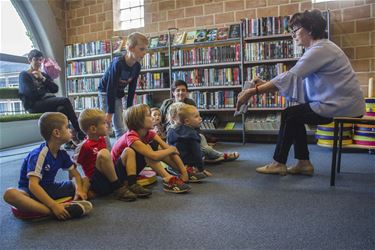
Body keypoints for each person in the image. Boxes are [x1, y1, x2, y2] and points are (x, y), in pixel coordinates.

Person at [236, 9, 365, 176]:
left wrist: (253, 91)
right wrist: (263, 85)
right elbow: (295, 79)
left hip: (341, 106)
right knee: (294, 115)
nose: (293, 35)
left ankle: (279, 163)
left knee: (290, 115)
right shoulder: (321, 48)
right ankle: (303, 163)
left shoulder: (320, 50)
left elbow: (290, 77)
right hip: (341, 103)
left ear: (310, 29)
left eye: (296, 30)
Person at [3, 112, 92, 220]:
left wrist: (79, 190)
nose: (70, 130)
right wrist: (54, 206)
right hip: (30, 192)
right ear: (57, 133)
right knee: (10, 194)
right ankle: (52, 211)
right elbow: (33, 186)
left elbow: (76, 175)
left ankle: (72, 203)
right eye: (67, 127)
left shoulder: (62, 153)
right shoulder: (39, 154)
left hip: (49, 188)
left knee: (85, 179)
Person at [74, 108, 151, 202]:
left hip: (111, 176)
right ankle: (118, 188)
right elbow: (73, 167)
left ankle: (132, 183)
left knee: (128, 151)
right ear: (93, 129)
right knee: (104, 153)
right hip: (98, 181)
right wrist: (83, 186)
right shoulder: (84, 146)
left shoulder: (102, 139)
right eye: (104, 123)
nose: (107, 125)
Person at [111, 104, 191, 193]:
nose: (153, 118)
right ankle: (168, 178)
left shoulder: (150, 133)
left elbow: (169, 150)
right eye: (149, 116)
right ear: (139, 121)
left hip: (133, 167)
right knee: (149, 150)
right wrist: (171, 149)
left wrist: (183, 171)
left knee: (159, 148)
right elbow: (154, 155)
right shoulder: (131, 136)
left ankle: (183, 170)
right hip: (118, 173)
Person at [160, 80, 239, 163]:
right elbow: (159, 119)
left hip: (188, 132)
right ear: (173, 92)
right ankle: (220, 155)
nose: (181, 92)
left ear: (187, 92)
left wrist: (197, 135)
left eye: (183, 90)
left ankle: (210, 156)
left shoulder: (190, 103)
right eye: (178, 90)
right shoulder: (167, 104)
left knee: (201, 140)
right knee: (203, 145)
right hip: (171, 134)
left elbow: (195, 121)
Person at [18, 49, 85, 146]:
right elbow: (30, 94)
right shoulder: (24, 75)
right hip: (34, 105)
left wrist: (43, 79)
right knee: (65, 100)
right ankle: (79, 131)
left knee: (61, 109)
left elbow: (55, 89)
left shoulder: (43, 75)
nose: (39, 62)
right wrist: (44, 93)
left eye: (40, 60)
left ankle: (67, 140)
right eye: (36, 60)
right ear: (30, 60)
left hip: (46, 102)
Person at [98, 32, 148, 139]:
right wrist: (110, 111)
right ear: (130, 48)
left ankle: (121, 151)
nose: (144, 53)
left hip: (118, 92)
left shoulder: (137, 66)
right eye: (141, 49)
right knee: (106, 124)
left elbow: (132, 88)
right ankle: (107, 151)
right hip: (106, 92)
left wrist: (130, 109)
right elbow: (110, 87)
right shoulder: (118, 63)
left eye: (145, 50)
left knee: (120, 125)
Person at [167, 104, 212, 178]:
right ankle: (191, 170)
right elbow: (197, 154)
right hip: (188, 162)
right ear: (187, 121)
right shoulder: (192, 134)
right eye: (196, 116)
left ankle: (177, 169)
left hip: (175, 161)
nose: (200, 118)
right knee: (203, 151)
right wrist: (201, 169)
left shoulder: (171, 130)